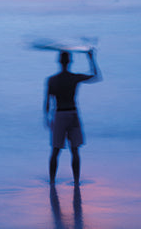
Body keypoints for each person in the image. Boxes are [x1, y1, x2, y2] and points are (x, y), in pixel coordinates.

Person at [44, 50, 101, 184]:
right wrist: (91, 58)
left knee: (55, 150)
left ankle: (52, 182)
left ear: (59, 61)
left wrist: (47, 119)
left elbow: (47, 102)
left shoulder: (52, 80)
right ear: (70, 61)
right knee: (74, 150)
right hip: (72, 114)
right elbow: (96, 76)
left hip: (59, 114)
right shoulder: (74, 78)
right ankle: (76, 182)